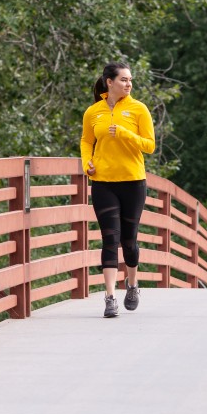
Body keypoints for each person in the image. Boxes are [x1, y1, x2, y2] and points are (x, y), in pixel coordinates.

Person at [81, 62, 156, 318]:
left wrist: (125, 134)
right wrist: (86, 163)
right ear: (109, 82)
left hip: (133, 182)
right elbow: (86, 141)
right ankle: (110, 297)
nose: (128, 84)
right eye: (124, 80)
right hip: (103, 182)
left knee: (129, 241)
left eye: (130, 80)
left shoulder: (138, 109)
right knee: (110, 239)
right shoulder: (93, 111)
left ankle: (132, 284)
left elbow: (150, 146)